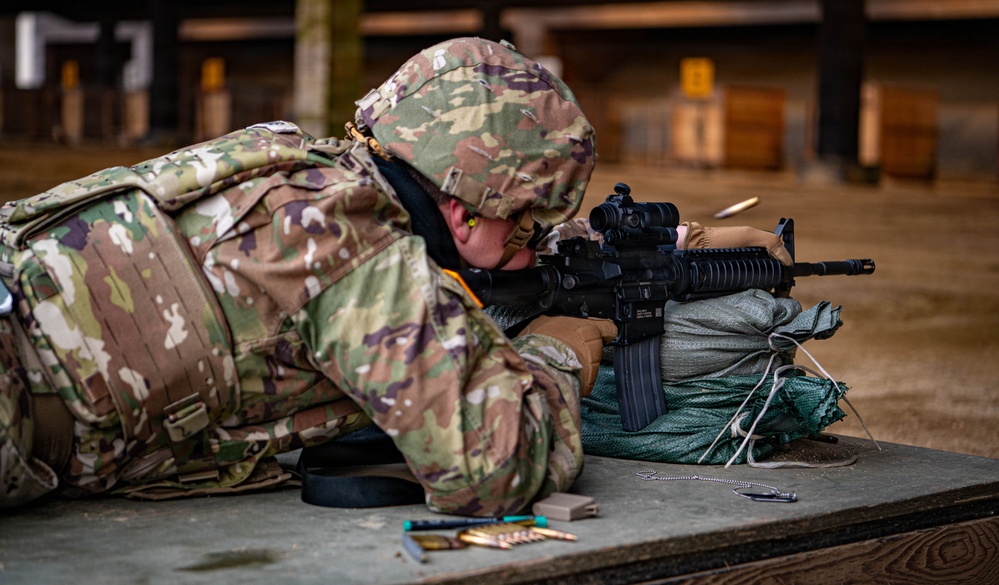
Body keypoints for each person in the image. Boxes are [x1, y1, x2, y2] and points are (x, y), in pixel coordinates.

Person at [0, 37, 789, 514]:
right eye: (527, 221)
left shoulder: (299, 167)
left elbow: (492, 251)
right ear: (462, 208)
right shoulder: (357, 255)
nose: (535, 242)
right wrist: (554, 353)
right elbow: (486, 470)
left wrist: (681, 240)